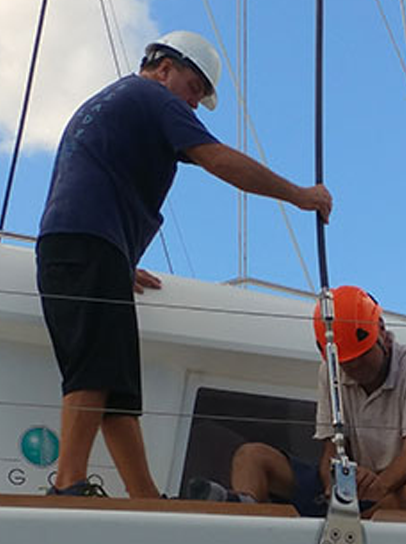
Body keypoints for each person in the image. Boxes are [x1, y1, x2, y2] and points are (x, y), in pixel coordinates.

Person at [36, 31, 332, 498]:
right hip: (88, 247)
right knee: (94, 371)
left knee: (116, 387)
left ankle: (145, 496)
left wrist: (116, 257)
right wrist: (300, 196)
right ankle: (68, 484)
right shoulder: (153, 96)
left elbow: (90, 179)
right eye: (194, 88)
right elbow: (219, 161)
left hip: (82, 246)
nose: (193, 104)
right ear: (165, 66)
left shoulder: (116, 100)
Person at [185, 285, 406, 517]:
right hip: (354, 489)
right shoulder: (331, 370)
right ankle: (246, 515)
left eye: (362, 356)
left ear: (381, 333)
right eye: (348, 362)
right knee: (251, 456)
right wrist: (332, 485)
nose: (355, 367)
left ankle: (349, 526)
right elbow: (331, 450)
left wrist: (376, 485)